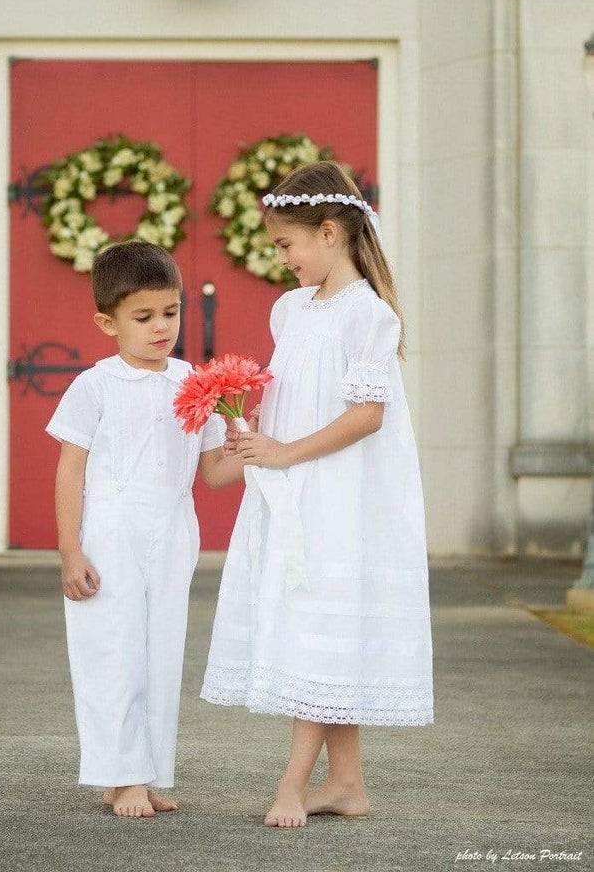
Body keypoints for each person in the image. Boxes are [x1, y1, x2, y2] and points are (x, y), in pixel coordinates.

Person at [201, 160, 434, 829]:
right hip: (292, 488)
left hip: (342, 497)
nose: (282, 260)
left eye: (285, 244)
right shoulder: (290, 310)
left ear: (328, 232)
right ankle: (348, 784)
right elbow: (290, 399)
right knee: (322, 630)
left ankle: (292, 783)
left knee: (318, 629)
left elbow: (367, 417)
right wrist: (244, 438)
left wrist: (282, 454)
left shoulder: (370, 317)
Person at [45, 241, 249, 818]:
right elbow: (71, 468)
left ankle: (145, 771)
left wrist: (249, 445)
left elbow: (212, 472)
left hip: (172, 528)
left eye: (171, 312)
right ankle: (120, 773)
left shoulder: (194, 382)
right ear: (107, 322)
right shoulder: (95, 385)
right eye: (144, 317)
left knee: (162, 650)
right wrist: (70, 550)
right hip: (109, 530)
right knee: (113, 648)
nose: (162, 327)